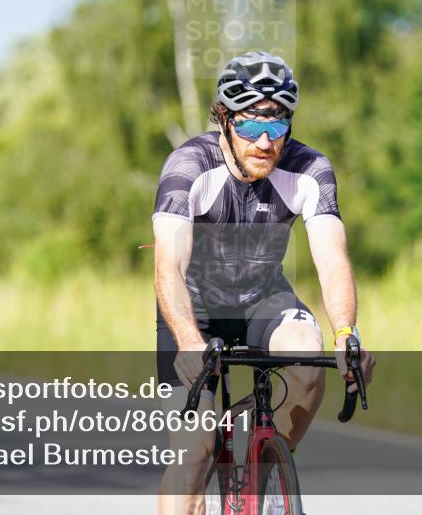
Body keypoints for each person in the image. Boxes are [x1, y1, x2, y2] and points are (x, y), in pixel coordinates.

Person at [153, 51, 374, 514]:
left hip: (262, 297)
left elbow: (332, 257)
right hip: (195, 310)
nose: (265, 141)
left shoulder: (310, 169)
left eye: (277, 126)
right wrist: (189, 340)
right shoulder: (189, 166)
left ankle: (266, 470)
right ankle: (208, 451)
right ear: (224, 120)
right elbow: (168, 266)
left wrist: (346, 332)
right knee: (192, 455)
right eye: (252, 126)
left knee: (310, 362)